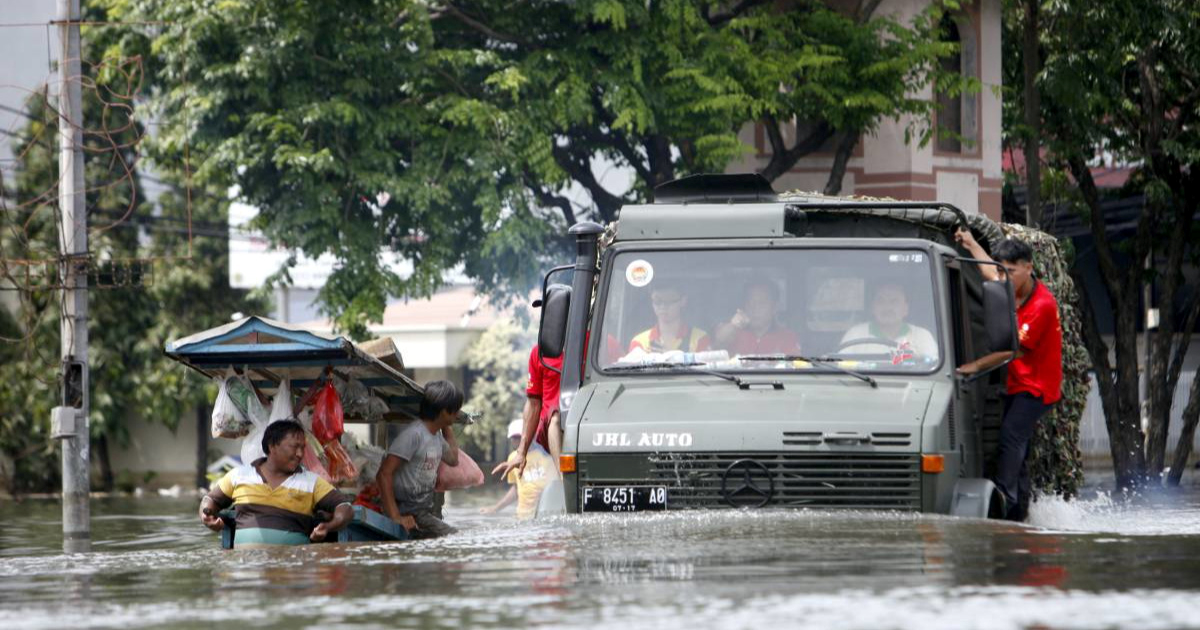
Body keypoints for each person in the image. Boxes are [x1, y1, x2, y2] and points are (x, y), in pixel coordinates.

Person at [955, 229, 1063, 521]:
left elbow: (1010, 351)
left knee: (1011, 437)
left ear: (1029, 267)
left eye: (1012, 271)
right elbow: (992, 271)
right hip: (1017, 382)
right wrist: (971, 243)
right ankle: (1019, 512)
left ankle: (1004, 497)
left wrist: (974, 366)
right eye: (1004, 272)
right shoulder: (1007, 283)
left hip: (1038, 387)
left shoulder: (1043, 306)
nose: (1004, 278)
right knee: (1020, 449)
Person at [199, 419, 353, 547]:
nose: (300, 454)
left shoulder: (311, 482)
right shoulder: (239, 475)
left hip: (294, 571)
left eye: (302, 448)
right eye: (294, 447)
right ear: (272, 446)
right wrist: (207, 517)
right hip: (246, 571)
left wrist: (329, 526)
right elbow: (210, 500)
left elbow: (345, 508)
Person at [376, 380, 463, 538]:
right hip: (407, 510)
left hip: (422, 512)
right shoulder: (414, 435)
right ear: (443, 411)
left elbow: (453, 459)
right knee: (457, 538)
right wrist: (396, 516)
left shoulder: (436, 436)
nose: (458, 414)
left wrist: (446, 425)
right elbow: (383, 474)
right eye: (455, 410)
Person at [839, 283, 938, 359]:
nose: (887, 307)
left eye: (894, 301)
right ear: (872, 308)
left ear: (906, 309)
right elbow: (841, 366)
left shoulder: (922, 336)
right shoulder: (855, 334)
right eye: (881, 301)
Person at [481, 419, 557, 519]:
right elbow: (515, 489)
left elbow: (556, 485)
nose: (516, 441)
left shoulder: (546, 455)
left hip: (545, 514)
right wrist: (495, 508)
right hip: (523, 515)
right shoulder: (512, 458)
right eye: (513, 438)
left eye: (518, 437)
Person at [712, 280, 800, 356]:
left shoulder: (787, 337)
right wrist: (733, 326)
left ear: (774, 307)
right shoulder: (731, 332)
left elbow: (794, 368)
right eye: (750, 302)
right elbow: (716, 345)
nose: (754, 308)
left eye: (761, 303)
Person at [628, 283, 711, 354]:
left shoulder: (699, 338)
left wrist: (671, 357)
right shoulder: (640, 342)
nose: (663, 306)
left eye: (669, 301)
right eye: (658, 301)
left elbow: (702, 371)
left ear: (683, 301)